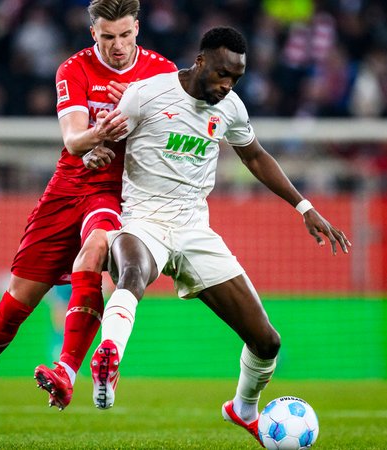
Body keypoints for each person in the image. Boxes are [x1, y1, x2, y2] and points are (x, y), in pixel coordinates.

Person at [81, 26, 350, 444]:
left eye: (236, 79)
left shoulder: (231, 109)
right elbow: (101, 144)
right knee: (133, 270)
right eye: (223, 74)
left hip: (194, 230)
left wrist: (305, 207)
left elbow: (256, 156)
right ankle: (109, 362)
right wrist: (96, 151)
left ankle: (243, 409)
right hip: (143, 220)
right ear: (201, 61)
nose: (227, 85)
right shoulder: (145, 94)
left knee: (266, 342)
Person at [0, 0, 176, 438]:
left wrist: (138, 118)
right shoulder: (74, 69)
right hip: (69, 186)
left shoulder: (163, 72)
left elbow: (171, 140)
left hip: (118, 190)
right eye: (108, 37)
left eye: (126, 35)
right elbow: (72, 140)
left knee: (98, 248)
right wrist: (97, 137)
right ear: (93, 34)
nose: (119, 46)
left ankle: (66, 371)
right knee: (16, 303)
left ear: (137, 28)